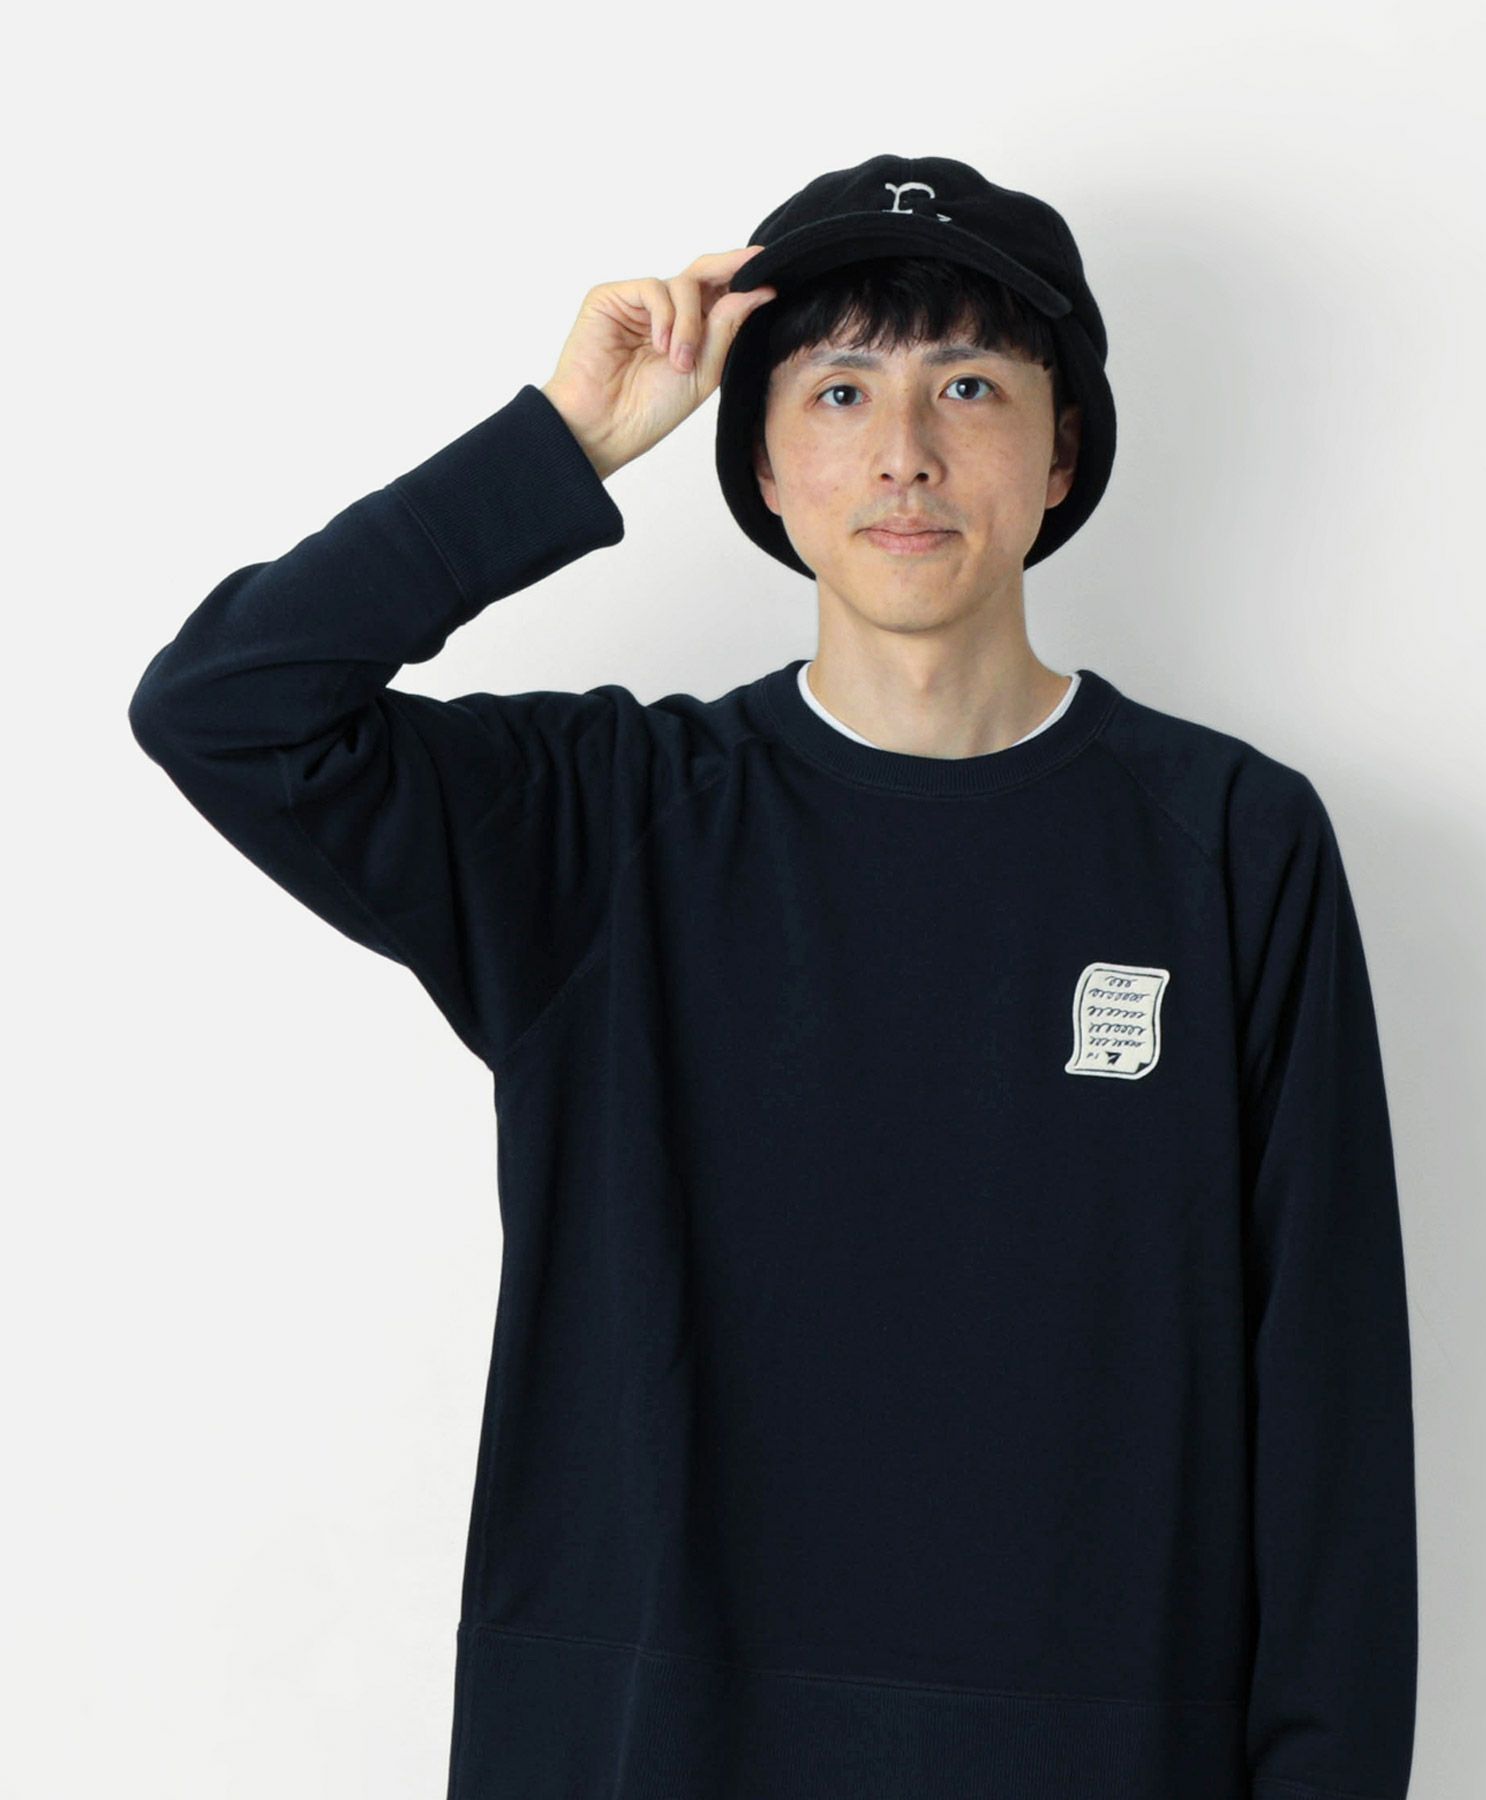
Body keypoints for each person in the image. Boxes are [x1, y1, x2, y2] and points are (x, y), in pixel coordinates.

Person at [128, 153, 1417, 1800]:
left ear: (1062, 450)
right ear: (760, 460)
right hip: (650, 1747)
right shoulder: (607, 825)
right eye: (839, 390)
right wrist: (561, 440)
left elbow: (1326, 1412)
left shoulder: (1228, 842)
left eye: (969, 385)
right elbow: (226, 711)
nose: (905, 452)